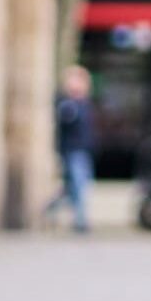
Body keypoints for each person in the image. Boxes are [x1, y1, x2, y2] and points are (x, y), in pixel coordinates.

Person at [45, 65, 95, 233]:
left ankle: (49, 209)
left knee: (73, 187)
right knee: (78, 185)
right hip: (73, 151)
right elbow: (66, 122)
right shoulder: (67, 104)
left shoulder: (84, 103)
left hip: (84, 150)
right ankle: (81, 221)